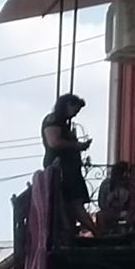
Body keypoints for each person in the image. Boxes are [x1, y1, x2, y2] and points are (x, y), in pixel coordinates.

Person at [41, 92, 92, 232]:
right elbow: (54, 142)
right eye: (75, 109)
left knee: (73, 203)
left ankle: (79, 230)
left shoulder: (63, 123)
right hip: (62, 169)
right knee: (72, 202)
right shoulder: (53, 120)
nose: (75, 114)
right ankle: (94, 232)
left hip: (70, 169)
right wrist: (76, 145)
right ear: (68, 105)